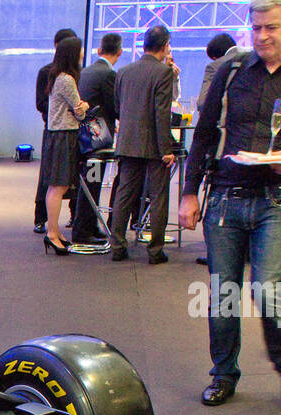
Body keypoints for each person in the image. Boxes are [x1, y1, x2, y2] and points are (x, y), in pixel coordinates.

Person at [179, 0, 281, 412]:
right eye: (256, 27)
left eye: (271, 28)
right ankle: (224, 373)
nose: (262, 35)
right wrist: (189, 192)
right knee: (222, 293)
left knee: (269, 290)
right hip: (226, 197)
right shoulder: (231, 72)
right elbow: (206, 133)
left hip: (278, 199)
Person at [110, 24, 177, 264]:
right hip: (153, 145)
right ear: (165, 46)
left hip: (127, 141)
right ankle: (155, 251)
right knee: (158, 195)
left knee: (124, 194)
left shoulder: (124, 72)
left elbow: (118, 107)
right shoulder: (163, 73)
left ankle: (117, 245)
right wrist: (166, 150)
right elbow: (162, 113)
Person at [73, 32, 123, 244]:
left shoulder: (86, 71)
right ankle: (84, 230)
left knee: (89, 181)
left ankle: (88, 226)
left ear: (100, 49)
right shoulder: (108, 74)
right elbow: (114, 106)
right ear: (120, 52)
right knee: (93, 182)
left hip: (85, 136)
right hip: (98, 139)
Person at [41, 36, 89, 255]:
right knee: (58, 186)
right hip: (64, 136)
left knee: (57, 186)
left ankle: (54, 231)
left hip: (58, 135)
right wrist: (85, 105)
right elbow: (79, 109)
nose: (82, 54)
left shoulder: (57, 76)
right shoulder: (66, 79)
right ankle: (52, 233)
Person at [35, 28, 79, 234]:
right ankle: (44, 222)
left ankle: (68, 219)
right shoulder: (53, 74)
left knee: (62, 181)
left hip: (60, 131)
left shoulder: (67, 74)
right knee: (53, 180)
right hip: (59, 132)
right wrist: (76, 109)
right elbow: (42, 103)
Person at [198, 33, 239, 113]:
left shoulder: (215, 66)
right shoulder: (254, 60)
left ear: (215, 57)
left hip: (225, 123)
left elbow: (203, 103)